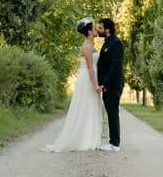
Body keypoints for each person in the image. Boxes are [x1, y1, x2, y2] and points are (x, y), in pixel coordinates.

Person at [43, 17, 103, 152]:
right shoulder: (87, 46)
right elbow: (89, 67)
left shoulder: (91, 45)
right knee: (85, 107)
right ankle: (83, 139)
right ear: (88, 32)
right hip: (87, 80)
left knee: (90, 107)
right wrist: (95, 85)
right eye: (93, 28)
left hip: (90, 79)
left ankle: (90, 137)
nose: (96, 30)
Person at [96, 17, 124, 151]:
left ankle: (114, 144)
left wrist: (105, 84)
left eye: (100, 28)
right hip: (107, 85)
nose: (98, 30)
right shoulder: (108, 42)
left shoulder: (116, 43)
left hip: (113, 85)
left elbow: (115, 67)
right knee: (110, 112)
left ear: (107, 29)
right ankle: (113, 142)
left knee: (112, 112)